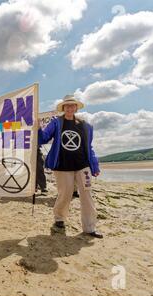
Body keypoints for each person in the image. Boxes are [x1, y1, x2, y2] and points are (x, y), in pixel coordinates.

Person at [38, 94, 103, 238]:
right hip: (62, 166)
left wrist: (95, 165)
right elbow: (43, 138)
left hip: (83, 165)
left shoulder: (85, 126)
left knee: (87, 194)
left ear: (76, 108)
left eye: (72, 105)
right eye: (67, 105)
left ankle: (90, 227)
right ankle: (59, 219)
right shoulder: (56, 122)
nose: (69, 108)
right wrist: (37, 129)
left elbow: (89, 147)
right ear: (63, 108)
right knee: (65, 194)